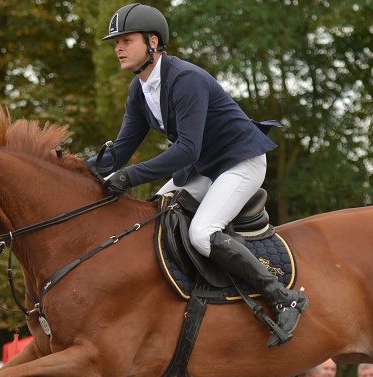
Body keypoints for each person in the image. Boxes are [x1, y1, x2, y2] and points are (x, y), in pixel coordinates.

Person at [92, 3, 306, 347]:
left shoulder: (184, 79)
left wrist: (128, 177)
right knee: (152, 219)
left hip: (240, 161)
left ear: (152, 42)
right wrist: (79, 169)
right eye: (116, 42)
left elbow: (187, 150)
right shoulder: (140, 90)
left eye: (126, 40)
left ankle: (282, 297)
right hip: (204, 168)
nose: (118, 48)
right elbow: (121, 149)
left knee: (202, 233)